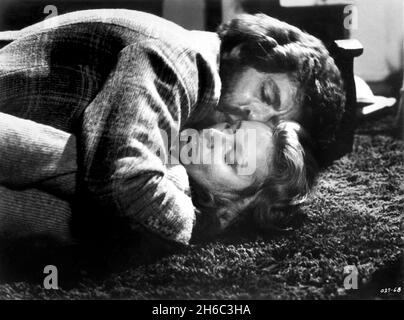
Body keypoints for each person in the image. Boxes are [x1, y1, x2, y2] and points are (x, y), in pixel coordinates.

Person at [0, 9, 341, 245]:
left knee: (88, 219)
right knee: (111, 212)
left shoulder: (198, 116)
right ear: (247, 52)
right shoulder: (186, 62)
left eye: (270, 122)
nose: (251, 117)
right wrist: (203, 223)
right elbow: (125, 179)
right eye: (266, 93)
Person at [0, 112, 317, 245]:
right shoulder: (173, 122)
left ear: (232, 204)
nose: (214, 139)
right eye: (231, 130)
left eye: (232, 158)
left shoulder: (169, 207)